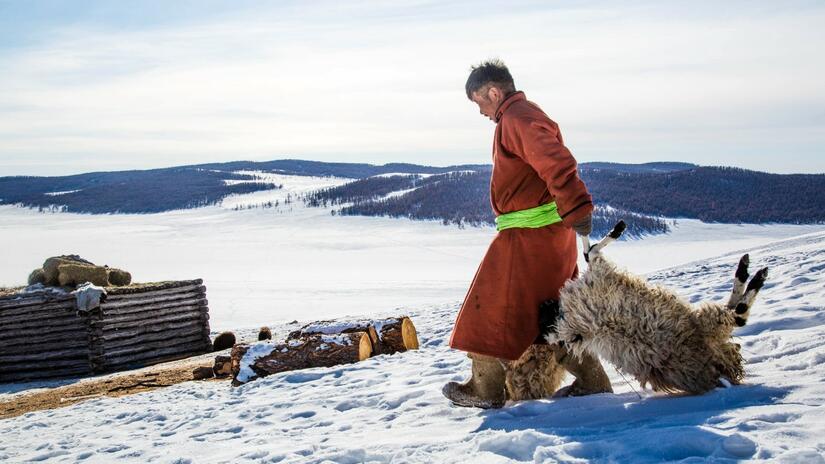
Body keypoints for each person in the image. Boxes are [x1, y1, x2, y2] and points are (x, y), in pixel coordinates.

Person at [442, 59, 612, 409]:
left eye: (480, 103)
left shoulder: (518, 117)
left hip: (530, 238)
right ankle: (593, 381)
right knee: (551, 311)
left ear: (493, 91)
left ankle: (486, 388)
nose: (481, 112)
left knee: (486, 307)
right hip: (545, 235)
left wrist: (578, 206)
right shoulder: (519, 115)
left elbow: (557, 161)